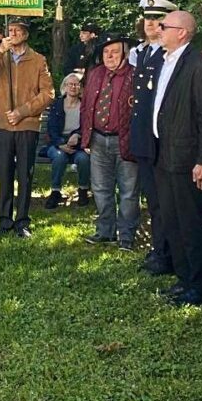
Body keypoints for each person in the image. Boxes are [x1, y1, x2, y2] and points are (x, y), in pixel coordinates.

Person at [151, 10, 202, 307]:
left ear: (182, 32)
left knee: (191, 223)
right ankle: (183, 278)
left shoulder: (198, 64)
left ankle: (199, 285)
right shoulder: (165, 61)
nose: (158, 29)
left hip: (188, 158)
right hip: (164, 155)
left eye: (164, 25)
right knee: (172, 220)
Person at [0, 19, 53, 238]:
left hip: (26, 124)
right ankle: (4, 219)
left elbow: (48, 94)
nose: (13, 34)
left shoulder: (38, 60)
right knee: (4, 173)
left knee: (24, 174)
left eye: (17, 31)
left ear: (26, 34)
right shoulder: (0, 58)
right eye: (10, 30)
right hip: (2, 124)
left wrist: (23, 111)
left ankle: (22, 220)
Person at [129, 0, 177, 274]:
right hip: (144, 137)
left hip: (161, 140)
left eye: (157, 19)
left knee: (163, 202)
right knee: (153, 200)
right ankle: (159, 249)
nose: (150, 24)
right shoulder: (143, 53)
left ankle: (165, 253)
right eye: (147, 18)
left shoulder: (167, 55)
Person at [80, 33, 139, 249]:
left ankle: (126, 236)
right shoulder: (95, 74)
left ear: (125, 54)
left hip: (125, 140)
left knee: (129, 191)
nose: (109, 56)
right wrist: (85, 137)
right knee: (100, 189)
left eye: (114, 52)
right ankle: (105, 231)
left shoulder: (135, 75)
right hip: (97, 139)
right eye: (106, 52)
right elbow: (86, 106)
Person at [44, 72, 91, 209]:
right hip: (58, 142)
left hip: (78, 143)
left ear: (80, 87)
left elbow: (88, 125)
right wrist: (60, 144)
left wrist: (78, 135)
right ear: (64, 86)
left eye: (76, 84)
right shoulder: (57, 104)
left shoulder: (85, 105)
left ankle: (83, 189)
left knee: (83, 158)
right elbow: (51, 128)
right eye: (70, 84)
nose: (73, 87)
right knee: (59, 157)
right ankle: (55, 191)